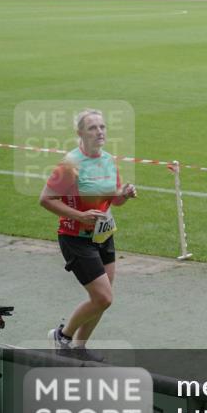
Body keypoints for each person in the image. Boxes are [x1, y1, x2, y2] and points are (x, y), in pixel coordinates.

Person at [40, 108, 137, 361]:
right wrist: (79, 216)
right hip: (75, 239)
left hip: (103, 236)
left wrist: (124, 194)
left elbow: (114, 200)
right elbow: (46, 199)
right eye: (93, 128)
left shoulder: (108, 160)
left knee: (102, 299)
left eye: (102, 127)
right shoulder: (70, 164)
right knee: (103, 298)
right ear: (80, 133)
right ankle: (62, 336)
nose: (99, 132)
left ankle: (79, 348)